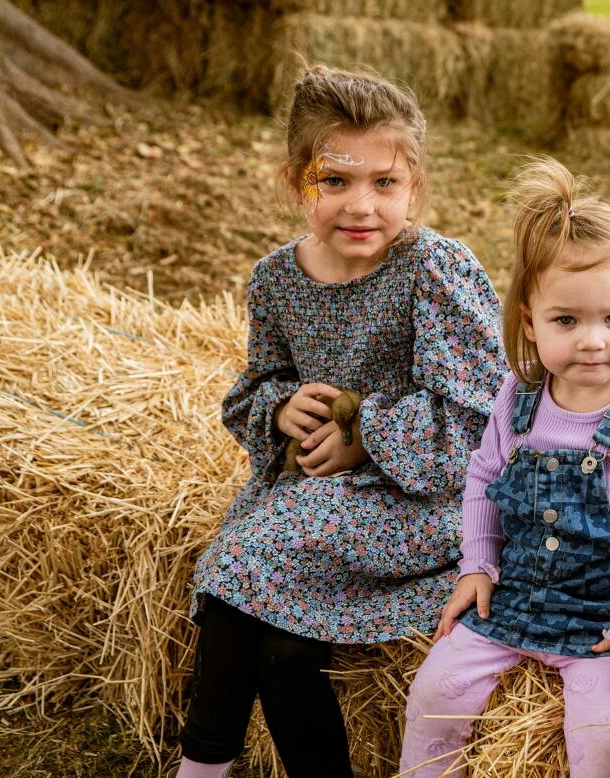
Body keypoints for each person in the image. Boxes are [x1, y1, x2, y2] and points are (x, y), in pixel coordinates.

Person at [175, 66, 504, 778]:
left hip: (422, 503)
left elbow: (484, 415)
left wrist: (365, 438)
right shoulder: (275, 279)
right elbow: (254, 387)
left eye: (384, 183)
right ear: (297, 180)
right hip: (313, 500)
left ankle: (199, 769)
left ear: (414, 184)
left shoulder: (435, 270)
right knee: (283, 651)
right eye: (335, 182)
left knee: (235, 566)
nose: (362, 206)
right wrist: (280, 408)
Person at [397, 158, 610, 778]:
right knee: (435, 695)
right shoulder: (516, 401)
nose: (591, 340)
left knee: (607, 735)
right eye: (566, 320)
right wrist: (479, 563)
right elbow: (483, 483)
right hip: (517, 599)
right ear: (529, 322)